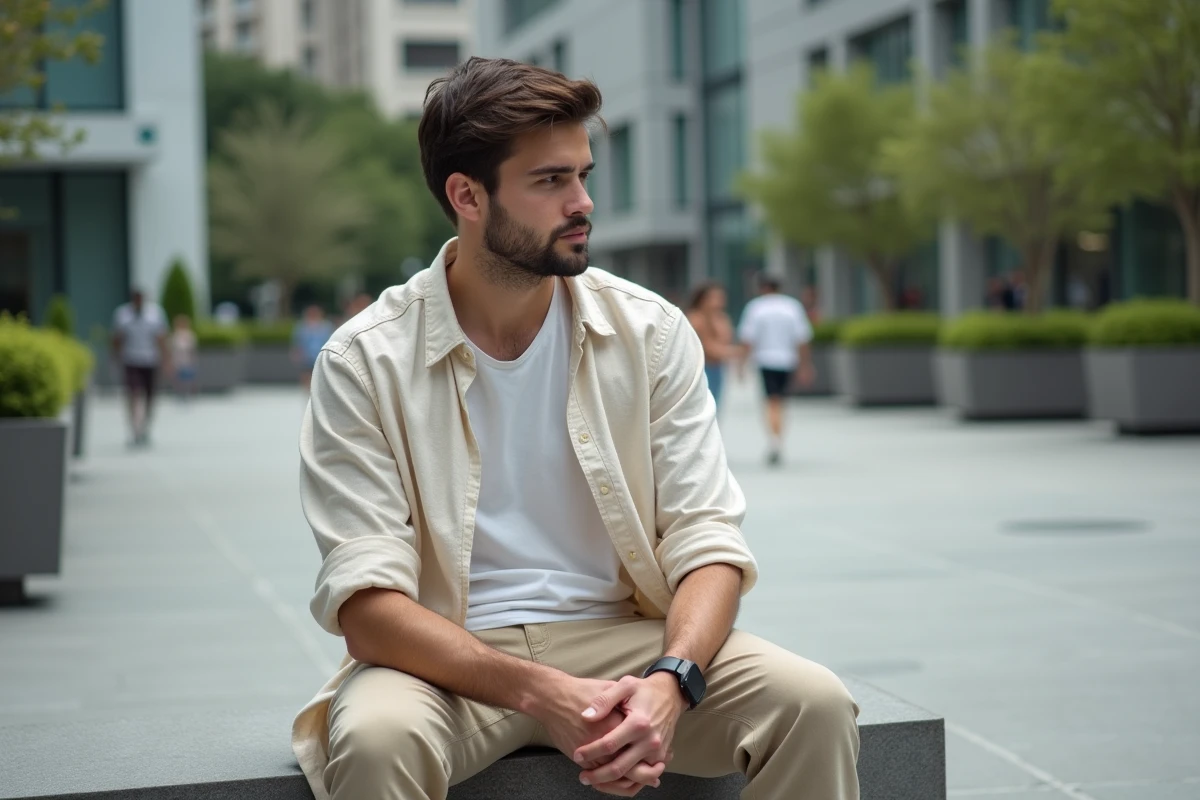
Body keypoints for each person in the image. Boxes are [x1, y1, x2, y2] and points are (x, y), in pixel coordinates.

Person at [291, 58, 859, 800]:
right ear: (466, 195)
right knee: (374, 742)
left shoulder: (649, 332)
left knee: (812, 704)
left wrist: (674, 678)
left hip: (630, 636)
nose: (582, 202)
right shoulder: (365, 360)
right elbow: (367, 609)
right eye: (550, 181)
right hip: (448, 660)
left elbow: (707, 541)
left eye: (583, 175)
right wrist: (542, 692)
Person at [737, 276, 815, 466]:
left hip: (766, 359)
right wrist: (805, 365)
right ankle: (778, 438)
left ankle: (774, 440)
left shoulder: (756, 308)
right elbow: (802, 338)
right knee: (781, 402)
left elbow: (748, 339)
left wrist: (741, 364)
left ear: (762, 288)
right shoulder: (792, 307)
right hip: (787, 360)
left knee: (772, 402)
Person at [111, 289, 169, 447]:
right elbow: (117, 338)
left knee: (150, 396)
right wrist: (115, 357)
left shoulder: (155, 313)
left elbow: (161, 338)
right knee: (134, 395)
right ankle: (134, 429)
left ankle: (145, 428)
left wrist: (166, 361)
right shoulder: (123, 314)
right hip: (131, 360)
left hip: (150, 360)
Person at [685, 282, 736, 408]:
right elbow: (707, 346)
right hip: (700, 368)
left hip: (717, 367)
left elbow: (726, 338)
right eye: (714, 298)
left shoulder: (721, 318)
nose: (719, 302)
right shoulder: (695, 318)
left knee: (715, 406)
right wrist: (733, 352)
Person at [291, 305, 333, 392]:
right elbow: (298, 341)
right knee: (306, 376)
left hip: (321, 356)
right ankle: (308, 393)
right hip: (307, 358)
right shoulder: (302, 327)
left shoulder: (326, 326)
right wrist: (296, 353)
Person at [169, 315, 198, 401]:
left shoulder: (190, 335)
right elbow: (171, 348)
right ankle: (179, 393)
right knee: (178, 378)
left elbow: (192, 349)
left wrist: (193, 359)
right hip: (177, 359)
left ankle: (187, 393)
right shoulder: (175, 335)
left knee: (188, 378)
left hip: (187, 359)